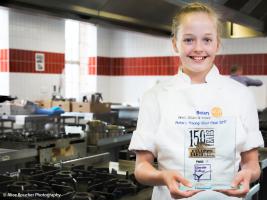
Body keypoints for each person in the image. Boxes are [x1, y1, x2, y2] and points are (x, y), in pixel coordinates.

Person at [129, 2, 264, 200]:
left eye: (207, 40)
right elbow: (141, 168)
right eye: (189, 40)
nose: (198, 48)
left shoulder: (241, 95)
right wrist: (162, 176)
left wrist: (249, 174)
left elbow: (252, 164)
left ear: (217, 43)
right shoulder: (155, 96)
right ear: (175, 43)